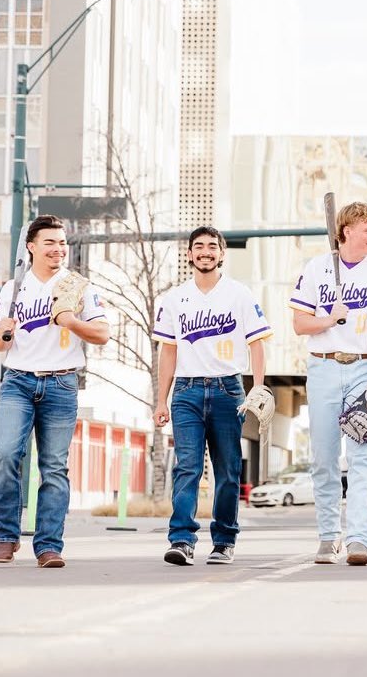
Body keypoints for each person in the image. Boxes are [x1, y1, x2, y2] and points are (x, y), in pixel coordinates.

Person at [0, 214, 110, 568]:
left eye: (62, 243)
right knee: (7, 455)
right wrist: (4, 331)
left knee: (54, 468)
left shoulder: (78, 286)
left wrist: (69, 320)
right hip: (18, 381)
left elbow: (102, 334)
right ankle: (7, 537)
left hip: (61, 382)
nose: (58, 249)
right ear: (31, 247)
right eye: (50, 243)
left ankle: (48, 546)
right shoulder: (14, 287)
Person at [152, 226, 272, 566]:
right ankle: (182, 540)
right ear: (189, 254)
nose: (205, 252)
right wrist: (161, 399)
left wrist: (258, 387)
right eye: (198, 246)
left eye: (212, 247)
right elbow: (168, 351)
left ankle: (223, 540)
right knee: (187, 468)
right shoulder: (175, 298)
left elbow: (257, 343)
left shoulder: (239, 294)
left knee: (228, 470)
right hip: (186, 391)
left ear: (221, 253)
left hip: (227, 390)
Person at [290, 202, 367, 565]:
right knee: (323, 458)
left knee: (362, 458)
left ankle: (358, 540)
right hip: (322, 367)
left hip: (362, 369)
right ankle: (328, 535)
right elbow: (299, 324)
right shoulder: (317, 267)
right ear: (347, 230)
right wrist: (327, 318)